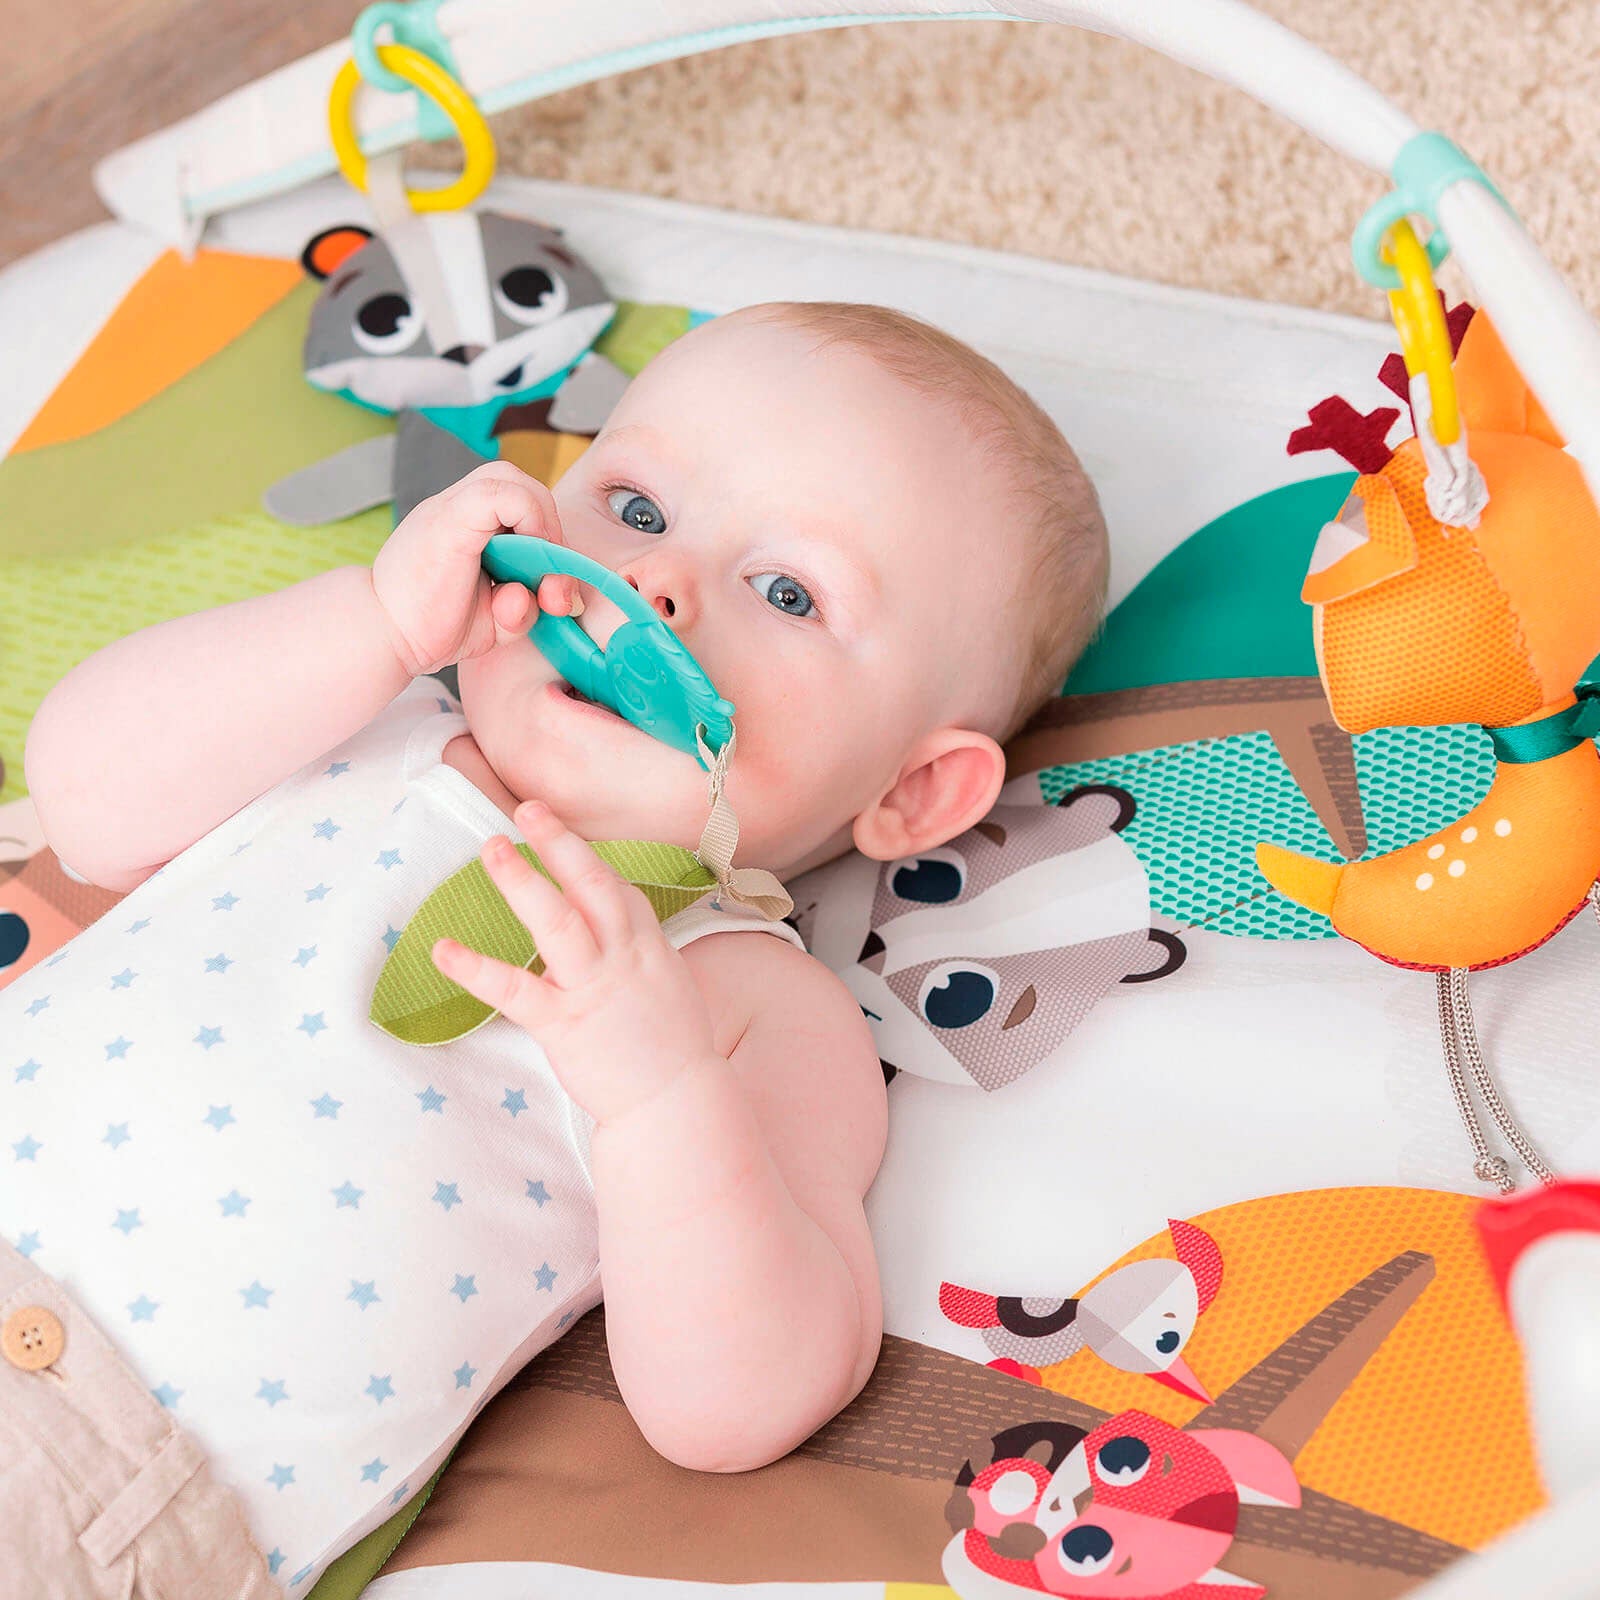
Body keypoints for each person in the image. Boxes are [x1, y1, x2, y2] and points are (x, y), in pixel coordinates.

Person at [1, 301, 1108, 1592]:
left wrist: (657, 1093)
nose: (655, 585)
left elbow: (737, 1403)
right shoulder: (350, 710)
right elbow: (85, 801)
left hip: (91, 1474)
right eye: (635, 508)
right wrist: (375, 621)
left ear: (913, 793)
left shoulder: (741, 994)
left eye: (788, 592)